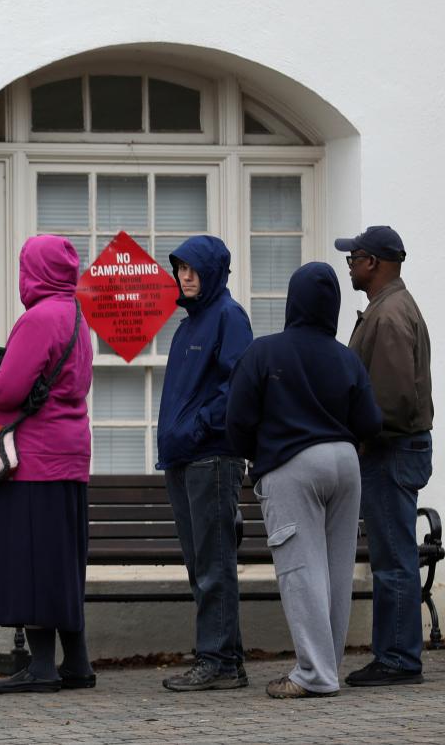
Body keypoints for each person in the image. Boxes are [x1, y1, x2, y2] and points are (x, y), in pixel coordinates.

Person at [226, 262, 382, 698]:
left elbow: (236, 421)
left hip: (291, 465)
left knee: (301, 568)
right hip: (345, 464)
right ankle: (325, 667)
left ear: (292, 301)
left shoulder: (264, 352)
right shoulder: (345, 357)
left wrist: (259, 453)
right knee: (334, 571)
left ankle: (314, 675)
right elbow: (370, 421)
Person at [0, 235, 95, 694]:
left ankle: (42, 666)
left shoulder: (39, 317)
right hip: (70, 454)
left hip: (33, 460)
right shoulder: (78, 315)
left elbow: (8, 390)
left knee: (33, 560)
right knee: (63, 561)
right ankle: (77, 662)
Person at [334, 225, 435, 687]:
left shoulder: (389, 314)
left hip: (390, 450)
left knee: (393, 558)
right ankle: (395, 654)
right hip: (394, 449)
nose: (350, 266)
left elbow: (392, 401)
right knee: (394, 555)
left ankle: (397, 658)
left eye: (353, 258)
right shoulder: (389, 307)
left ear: (373, 262)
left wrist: (358, 430)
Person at [154, 236, 253, 691]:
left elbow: (237, 387)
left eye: (193, 268)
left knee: (213, 564)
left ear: (213, 271)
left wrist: (197, 428)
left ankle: (216, 660)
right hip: (184, 458)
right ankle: (226, 660)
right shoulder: (188, 324)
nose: (185, 276)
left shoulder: (229, 317)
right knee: (203, 564)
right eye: (180, 268)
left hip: (211, 457)